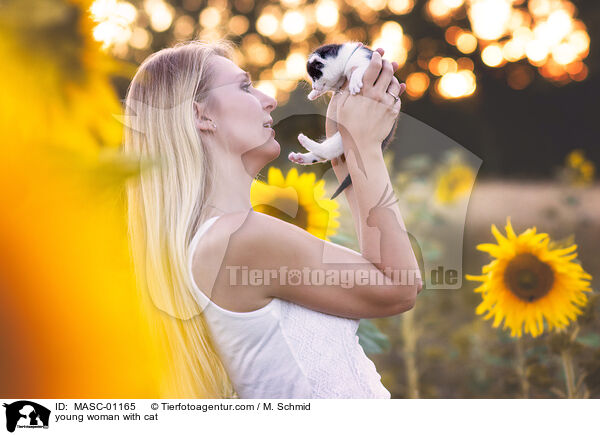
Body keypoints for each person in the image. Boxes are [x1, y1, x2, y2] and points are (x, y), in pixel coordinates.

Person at [123, 39, 422, 399]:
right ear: (202, 116)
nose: (268, 99)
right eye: (245, 87)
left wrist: (343, 145)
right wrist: (363, 146)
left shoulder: (217, 237)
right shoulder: (241, 239)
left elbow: (385, 275)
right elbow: (399, 286)